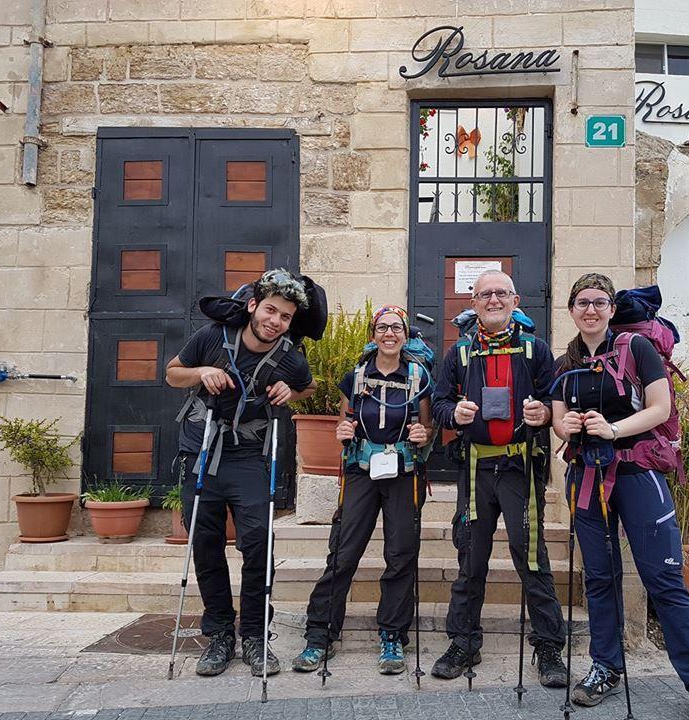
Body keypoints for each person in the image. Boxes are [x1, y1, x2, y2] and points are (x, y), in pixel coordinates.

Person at [550, 273, 689, 719]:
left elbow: (661, 407)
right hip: (586, 476)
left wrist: (614, 429)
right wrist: (565, 426)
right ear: (571, 309)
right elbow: (558, 418)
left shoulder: (636, 348)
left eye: (600, 302)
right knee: (599, 579)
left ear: (611, 308)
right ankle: (605, 666)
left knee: (663, 580)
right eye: (583, 302)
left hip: (638, 474)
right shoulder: (563, 363)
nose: (591, 309)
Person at [166, 269, 316, 678]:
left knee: (258, 546)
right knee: (206, 545)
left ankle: (253, 636)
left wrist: (292, 391)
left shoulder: (288, 354)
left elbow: (309, 386)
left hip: (249, 457)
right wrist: (200, 373)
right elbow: (172, 372)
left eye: (284, 316)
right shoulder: (213, 337)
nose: (275, 321)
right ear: (252, 306)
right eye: (270, 310)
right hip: (202, 454)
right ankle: (219, 636)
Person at [429, 270, 569, 688]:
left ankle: (548, 647)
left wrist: (543, 414)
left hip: (519, 470)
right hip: (474, 469)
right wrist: (454, 414)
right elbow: (437, 403)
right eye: (484, 294)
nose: (493, 300)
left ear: (515, 299)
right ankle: (463, 642)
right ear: (473, 303)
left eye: (500, 293)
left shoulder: (535, 350)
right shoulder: (459, 354)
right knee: (470, 558)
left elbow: (553, 399)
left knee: (530, 558)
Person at [291, 305, 434, 675]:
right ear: (373, 334)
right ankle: (320, 635)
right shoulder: (355, 376)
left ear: (405, 334)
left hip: (404, 471)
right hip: (361, 470)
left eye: (396, 327)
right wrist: (342, 432)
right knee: (343, 550)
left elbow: (429, 428)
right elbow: (345, 422)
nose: (389, 333)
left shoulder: (419, 375)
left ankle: (392, 635)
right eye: (382, 327)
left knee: (401, 553)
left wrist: (423, 434)